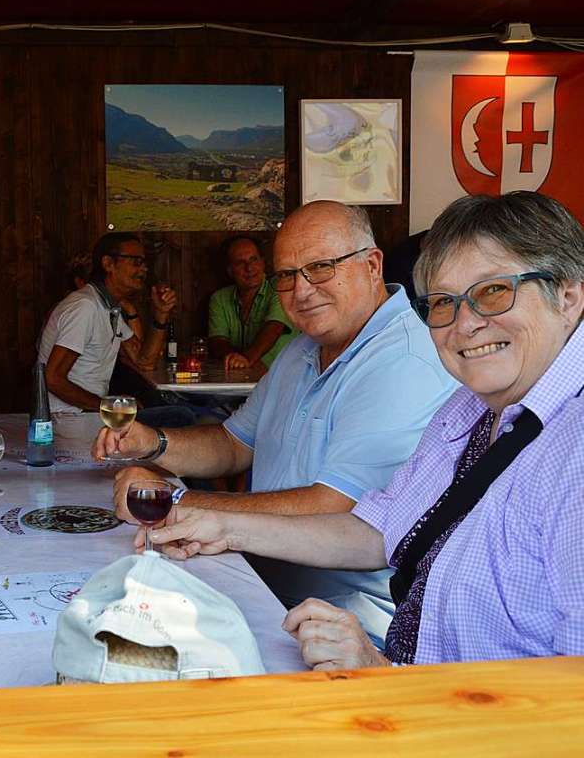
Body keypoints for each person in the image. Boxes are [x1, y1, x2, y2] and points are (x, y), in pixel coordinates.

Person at [140, 191, 584, 669]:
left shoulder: (572, 449)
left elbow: (568, 702)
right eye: (442, 302)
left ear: (568, 295)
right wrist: (224, 527)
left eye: (494, 291)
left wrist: (382, 676)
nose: (465, 324)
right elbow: (377, 530)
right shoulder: (468, 408)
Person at [94, 201, 456, 644]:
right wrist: (153, 442)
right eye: (286, 275)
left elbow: (335, 506)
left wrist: (177, 502)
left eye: (321, 267)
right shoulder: (302, 348)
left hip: (342, 630)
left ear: (372, 264)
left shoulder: (405, 358)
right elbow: (234, 444)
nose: (301, 291)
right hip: (258, 585)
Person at [37, 233, 177, 414]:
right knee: (180, 417)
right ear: (108, 263)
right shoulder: (85, 307)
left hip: (88, 415)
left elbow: (144, 362)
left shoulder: (107, 306)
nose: (143, 269)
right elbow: (52, 378)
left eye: (144, 263)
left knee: (176, 414)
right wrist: (109, 407)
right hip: (67, 418)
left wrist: (161, 314)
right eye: (136, 261)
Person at [208, 236, 297, 372]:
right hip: (242, 382)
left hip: (285, 380)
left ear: (263, 262)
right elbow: (218, 341)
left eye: (253, 260)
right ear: (230, 271)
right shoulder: (219, 298)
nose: (249, 268)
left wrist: (246, 359)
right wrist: (233, 358)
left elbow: (274, 328)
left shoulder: (280, 287)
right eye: (240, 263)